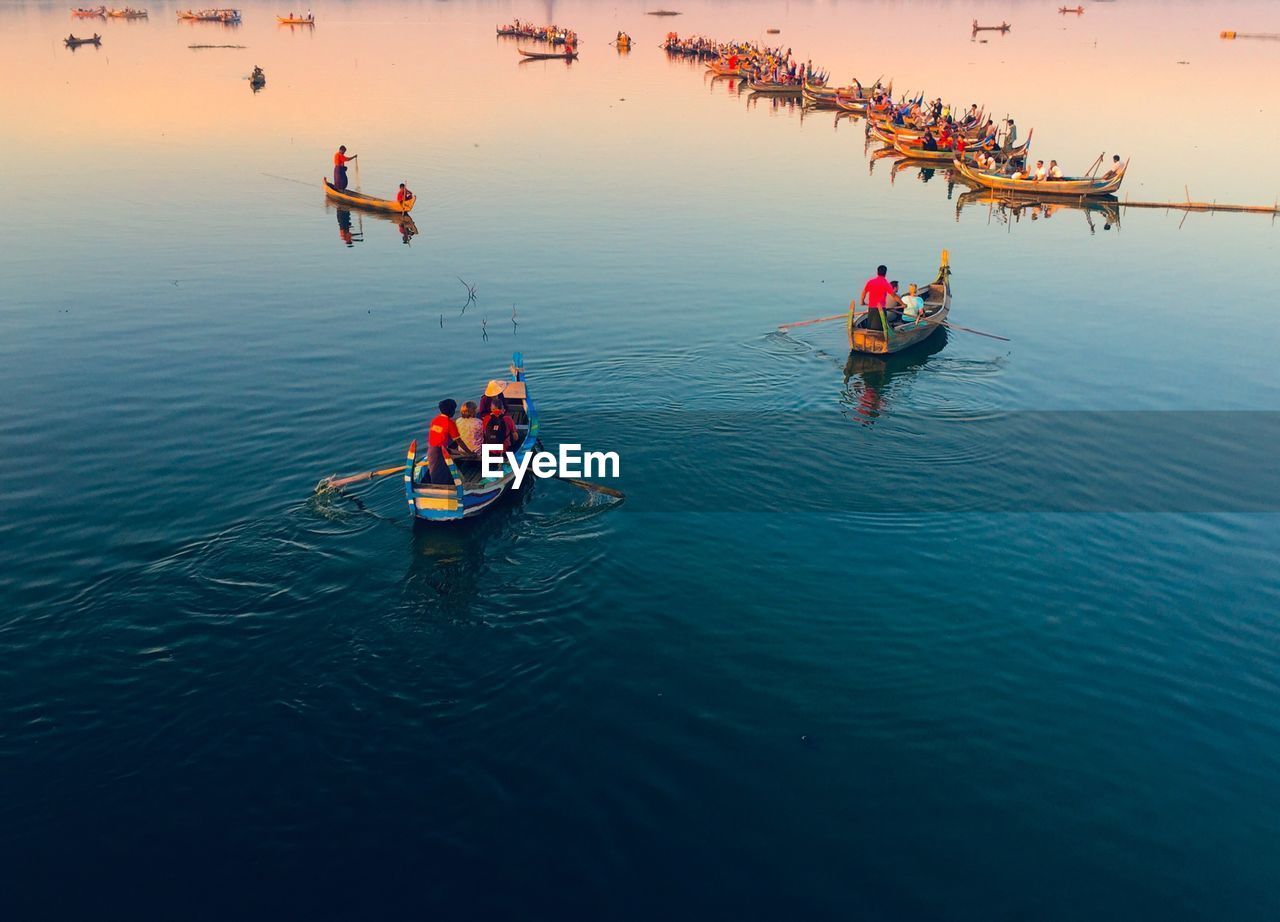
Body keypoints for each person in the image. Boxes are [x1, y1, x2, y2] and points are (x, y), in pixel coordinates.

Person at [425, 399, 461, 485]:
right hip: (440, 452)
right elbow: (459, 441)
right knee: (441, 472)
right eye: (454, 410)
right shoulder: (450, 423)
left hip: (431, 450)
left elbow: (437, 438)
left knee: (434, 470)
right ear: (451, 411)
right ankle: (442, 489)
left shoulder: (435, 420)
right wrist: (469, 453)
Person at [857, 264, 899, 336]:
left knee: (871, 325)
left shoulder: (870, 282)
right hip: (881, 309)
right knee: (881, 327)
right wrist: (903, 304)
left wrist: (862, 301)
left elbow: (864, 292)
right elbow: (894, 296)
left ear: (877, 272)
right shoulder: (886, 283)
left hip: (871, 308)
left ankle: (870, 339)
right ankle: (880, 341)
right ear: (885, 273)